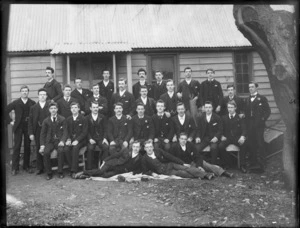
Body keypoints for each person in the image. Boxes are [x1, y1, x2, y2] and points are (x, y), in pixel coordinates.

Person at [141, 141, 214, 179]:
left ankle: (206, 174)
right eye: (147, 147)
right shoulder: (144, 158)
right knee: (182, 173)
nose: (149, 149)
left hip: (170, 164)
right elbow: (145, 171)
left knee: (186, 168)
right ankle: (201, 176)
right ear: (144, 149)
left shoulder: (158, 151)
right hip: (166, 171)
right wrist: (153, 174)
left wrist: (182, 163)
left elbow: (170, 157)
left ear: (153, 147)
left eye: (150, 146)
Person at [6, 85, 36, 175]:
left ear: (28, 92)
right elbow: (5, 110)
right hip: (18, 126)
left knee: (27, 146)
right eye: (23, 91)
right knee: (17, 146)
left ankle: (26, 166)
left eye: (26, 91)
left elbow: (35, 114)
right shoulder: (16, 102)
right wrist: (10, 121)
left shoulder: (32, 103)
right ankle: (15, 168)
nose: (24, 92)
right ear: (20, 92)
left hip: (28, 126)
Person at [76, 141, 143, 178]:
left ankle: (86, 176)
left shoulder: (140, 158)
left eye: (137, 147)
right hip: (112, 163)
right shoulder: (126, 151)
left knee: (106, 175)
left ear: (140, 148)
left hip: (119, 170)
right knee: (101, 171)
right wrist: (105, 160)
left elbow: (139, 169)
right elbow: (115, 155)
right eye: (134, 146)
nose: (135, 148)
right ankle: (83, 172)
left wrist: (133, 172)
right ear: (132, 147)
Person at [244, 81, 270, 173]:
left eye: (252, 87)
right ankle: (253, 163)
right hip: (250, 125)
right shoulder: (247, 99)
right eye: (249, 87)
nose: (250, 88)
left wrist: (262, 119)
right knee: (251, 144)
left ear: (256, 88)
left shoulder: (262, 98)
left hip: (259, 125)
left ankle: (262, 164)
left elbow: (268, 111)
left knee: (260, 143)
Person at [39, 102, 67, 180]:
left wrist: (62, 141)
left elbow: (65, 132)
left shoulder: (62, 119)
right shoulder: (46, 121)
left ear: (57, 109)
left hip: (59, 141)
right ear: (49, 110)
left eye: (55, 108)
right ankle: (49, 173)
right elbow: (42, 134)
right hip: (49, 141)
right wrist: (42, 145)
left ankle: (60, 171)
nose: (53, 110)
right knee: (46, 152)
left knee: (61, 151)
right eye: (51, 108)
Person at [219, 100, 247, 173]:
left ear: (235, 108)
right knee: (220, 146)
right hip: (227, 138)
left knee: (243, 144)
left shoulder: (239, 117)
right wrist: (221, 136)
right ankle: (227, 163)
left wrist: (242, 136)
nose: (230, 109)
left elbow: (244, 129)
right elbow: (221, 129)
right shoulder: (224, 118)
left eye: (231, 107)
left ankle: (242, 165)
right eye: (228, 107)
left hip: (236, 138)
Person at [28, 88, 49, 175]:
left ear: (46, 96)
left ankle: (48, 167)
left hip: (48, 130)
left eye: (44, 94)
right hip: (37, 130)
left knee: (47, 147)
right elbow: (30, 121)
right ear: (38, 96)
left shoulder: (50, 106)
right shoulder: (33, 107)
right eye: (41, 94)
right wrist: (31, 133)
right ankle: (40, 168)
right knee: (38, 148)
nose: (42, 96)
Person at [64, 102, 88, 178]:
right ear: (70, 110)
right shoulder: (68, 119)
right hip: (71, 140)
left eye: (75, 107)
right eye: (72, 108)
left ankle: (74, 170)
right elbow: (66, 131)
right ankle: (71, 167)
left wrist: (77, 140)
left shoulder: (83, 119)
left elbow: (85, 132)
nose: (74, 109)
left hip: (81, 140)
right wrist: (68, 139)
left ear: (78, 109)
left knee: (75, 148)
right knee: (66, 149)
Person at [195, 101, 223, 165]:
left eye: (209, 107)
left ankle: (213, 166)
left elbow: (220, 130)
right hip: (204, 138)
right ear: (204, 108)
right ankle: (201, 165)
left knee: (214, 148)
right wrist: (198, 137)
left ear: (212, 108)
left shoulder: (217, 117)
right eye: (206, 107)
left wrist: (216, 137)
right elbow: (198, 129)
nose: (208, 109)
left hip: (213, 138)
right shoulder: (201, 117)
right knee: (196, 148)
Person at [85, 101, 109, 170]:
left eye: (97, 107)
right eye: (94, 107)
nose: (95, 109)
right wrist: (89, 139)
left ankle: (104, 167)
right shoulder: (86, 118)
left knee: (106, 147)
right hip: (91, 138)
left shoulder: (102, 117)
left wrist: (105, 138)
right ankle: (90, 168)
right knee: (90, 148)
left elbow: (105, 129)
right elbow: (86, 131)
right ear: (90, 108)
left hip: (101, 138)